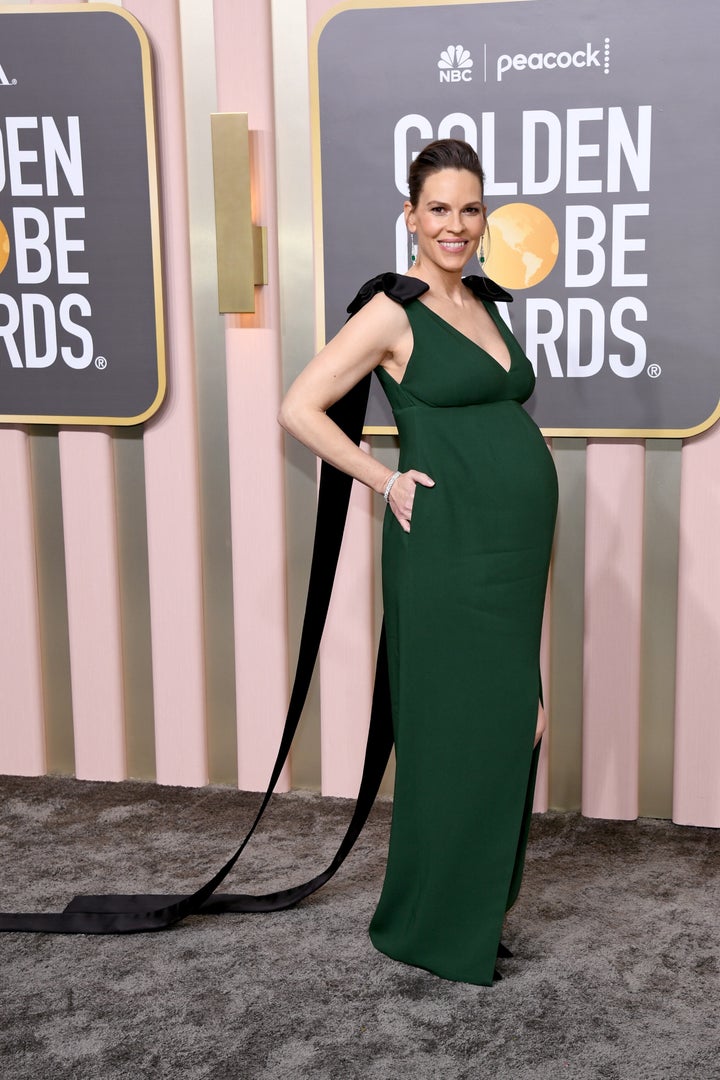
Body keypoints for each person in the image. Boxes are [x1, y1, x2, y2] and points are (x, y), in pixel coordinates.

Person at [279, 138, 558, 987]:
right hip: (447, 551)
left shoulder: (483, 299)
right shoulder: (391, 312)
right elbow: (300, 405)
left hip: (511, 556)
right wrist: (382, 477)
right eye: (438, 208)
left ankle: (466, 908)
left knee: (518, 721)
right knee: (457, 730)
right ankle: (435, 926)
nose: (456, 225)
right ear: (411, 214)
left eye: (470, 209)